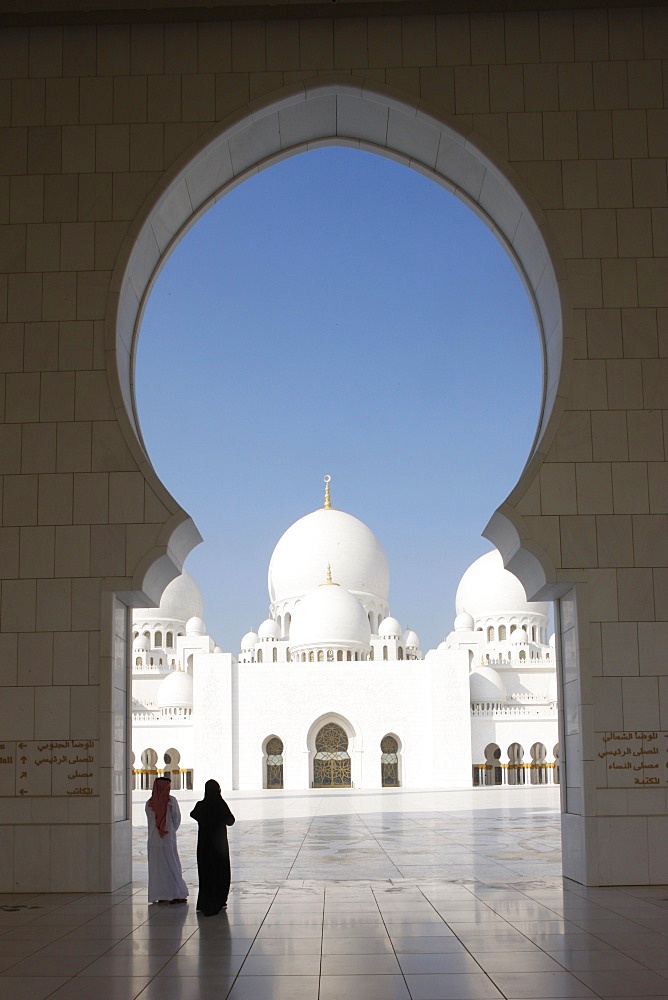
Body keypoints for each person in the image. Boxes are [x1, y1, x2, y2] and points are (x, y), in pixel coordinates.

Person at [190, 779, 235, 915]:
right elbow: (231, 821)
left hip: (204, 846)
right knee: (220, 872)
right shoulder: (220, 805)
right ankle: (219, 899)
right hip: (219, 846)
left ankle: (205, 901)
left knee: (206, 873)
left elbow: (193, 814)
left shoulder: (201, 805)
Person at [145, 776, 188, 904]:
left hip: (154, 841)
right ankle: (176, 893)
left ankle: (161, 894)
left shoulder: (149, 804)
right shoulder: (171, 802)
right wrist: (170, 831)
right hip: (168, 840)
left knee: (157, 870)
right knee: (172, 866)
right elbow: (176, 819)